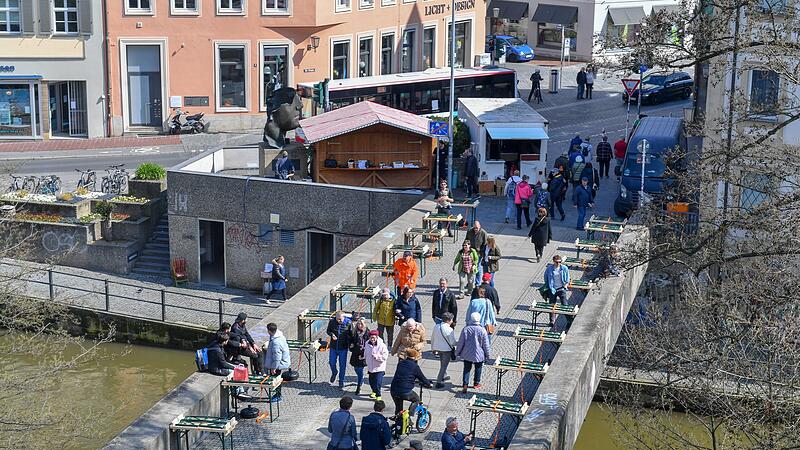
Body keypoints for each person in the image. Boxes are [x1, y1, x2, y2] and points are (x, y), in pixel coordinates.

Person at [456, 312, 492, 393]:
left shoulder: (466, 329)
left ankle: (465, 384)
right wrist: (488, 355)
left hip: (467, 353)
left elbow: (461, 342)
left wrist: (457, 352)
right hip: (479, 354)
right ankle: (476, 383)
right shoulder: (482, 330)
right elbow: (486, 345)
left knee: (467, 368)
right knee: (478, 368)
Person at [389, 348, 433, 415]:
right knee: (416, 399)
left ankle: (398, 421)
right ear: (415, 357)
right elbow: (422, 378)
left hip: (393, 390)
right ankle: (409, 415)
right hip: (405, 391)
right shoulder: (415, 367)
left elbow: (405, 374)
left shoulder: (400, 363)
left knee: (398, 408)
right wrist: (429, 384)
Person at [263, 322, 290, 402]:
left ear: (269, 331)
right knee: (277, 379)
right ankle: (277, 394)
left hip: (278, 364)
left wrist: (273, 367)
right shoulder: (279, 336)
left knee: (276, 380)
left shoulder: (276, 342)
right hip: (280, 362)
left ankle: (278, 395)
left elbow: (277, 357)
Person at [431, 312, 457, 389]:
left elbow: (433, 338)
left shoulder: (436, 326)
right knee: (444, 366)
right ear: (449, 320)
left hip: (438, 348)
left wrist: (433, 348)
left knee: (442, 364)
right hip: (446, 350)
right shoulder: (449, 329)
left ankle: (443, 376)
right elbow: (452, 342)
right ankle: (439, 382)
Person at [326, 311, 352, 389]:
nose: (339, 321)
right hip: (333, 347)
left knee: (342, 365)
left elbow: (351, 334)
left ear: (343, 317)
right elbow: (328, 331)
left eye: (340, 319)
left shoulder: (348, 323)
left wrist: (350, 343)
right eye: (337, 319)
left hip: (343, 348)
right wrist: (332, 334)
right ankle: (334, 372)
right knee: (331, 362)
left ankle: (341, 381)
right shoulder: (332, 322)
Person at [544, 255, 571, 327]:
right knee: (552, 305)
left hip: (561, 288)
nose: (558, 263)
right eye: (557, 262)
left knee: (564, 305)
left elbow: (568, 278)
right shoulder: (549, 269)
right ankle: (552, 321)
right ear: (553, 261)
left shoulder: (564, 268)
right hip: (553, 289)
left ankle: (569, 320)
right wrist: (548, 286)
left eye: (560, 262)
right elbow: (546, 277)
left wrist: (566, 284)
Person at [365, 329, 389, 401]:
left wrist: (377, 357)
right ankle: (374, 391)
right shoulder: (367, 343)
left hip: (379, 367)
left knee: (378, 382)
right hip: (370, 367)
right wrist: (364, 358)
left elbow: (385, 357)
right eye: (371, 337)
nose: (372, 339)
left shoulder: (382, 346)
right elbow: (366, 352)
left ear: (377, 337)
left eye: (374, 338)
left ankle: (378, 395)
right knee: (371, 381)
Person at [349, 317, 369, 395]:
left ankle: (359, 386)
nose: (360, 325)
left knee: (360, 370)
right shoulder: (354, 332)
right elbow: (351, 340)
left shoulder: (367, 333)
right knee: (356, 369)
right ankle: (361, 379)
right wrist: (351, 345)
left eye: (361, 324)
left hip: (363, 354)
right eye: (358, 324)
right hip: (355, 353)